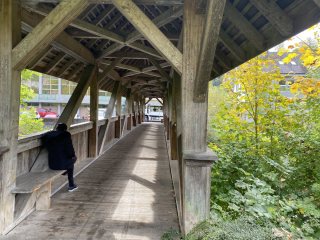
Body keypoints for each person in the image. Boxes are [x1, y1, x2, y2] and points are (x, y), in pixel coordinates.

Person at [42, 123, 78, 192]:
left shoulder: (49, 135)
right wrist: (72, 156)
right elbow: (70, 149)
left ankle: (65, 172)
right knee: (73, 160)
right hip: (62, 165)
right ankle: (71, 185)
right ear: (65, 129)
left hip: (52, 165)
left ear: (57, 128)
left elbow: (44, 142)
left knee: (69, 161)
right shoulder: (66, 135)